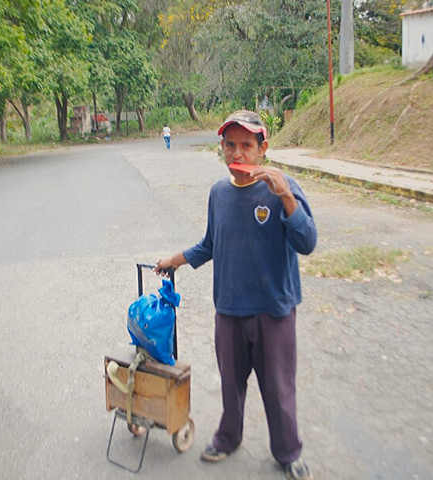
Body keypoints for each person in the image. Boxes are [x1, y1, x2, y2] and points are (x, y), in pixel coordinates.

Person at [155, 110, 317, 480]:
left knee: (278, 387)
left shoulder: (282, 187)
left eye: (247, 145)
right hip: (228, 309)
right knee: (231, 383)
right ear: (222, 149)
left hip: (274, 310)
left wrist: (287, 198)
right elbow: (211, 244)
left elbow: (307, 242)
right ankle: (228, 437)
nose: (238, 154)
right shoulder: (218, 193)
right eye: (230, 145)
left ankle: (288, 452)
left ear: (263, 149)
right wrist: (174, 261)